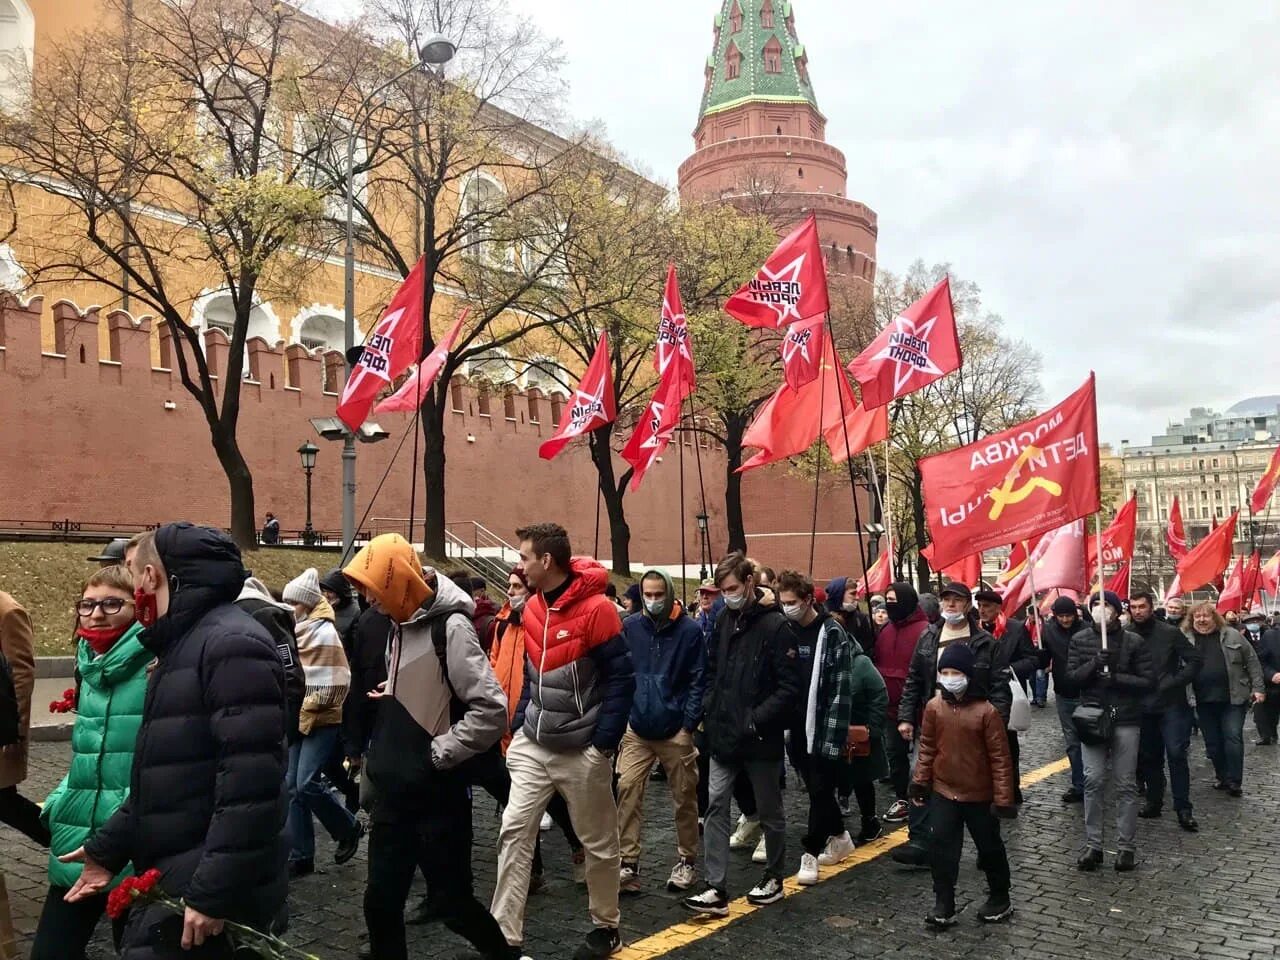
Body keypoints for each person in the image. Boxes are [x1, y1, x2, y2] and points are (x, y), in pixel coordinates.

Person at [62, 524, 288, 958]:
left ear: (153, 575)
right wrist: (106, 849)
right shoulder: (185, 642)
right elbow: (166, 774)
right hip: (181, 860)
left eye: (133, 571)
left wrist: (212, 892)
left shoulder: (229, 643)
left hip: (200, 872)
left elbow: (251, 786)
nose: (134, 582)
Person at [343, 536, 516, 960]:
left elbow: (492, 710)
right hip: (394, 795)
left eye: (372, 586)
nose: (367, 598)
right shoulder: (397, 623)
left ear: (396, 581)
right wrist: (396, 692)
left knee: (453, 904)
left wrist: (440, 752)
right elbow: (428, 686)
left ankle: (502, 954)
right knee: (380, 903)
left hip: (436, 797)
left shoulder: (451, 627)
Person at [490, 523, 634, 960]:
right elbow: (533, 677)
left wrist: (601, 748)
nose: (519, 564)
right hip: (536, 743)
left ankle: (606, 926)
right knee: (514, 831)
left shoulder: (598, 610)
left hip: (583, 750)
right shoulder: (532, 606)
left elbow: (622, 682)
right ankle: (504, 937)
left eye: (524, 557)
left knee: (598, 842)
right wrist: (518, 730)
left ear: (546, 561)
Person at [31, 566, 151, 960]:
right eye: (88, 604)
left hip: (135, 835)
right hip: (78, 832)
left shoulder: (158, 664)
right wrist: (60, 797)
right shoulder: (87, 662)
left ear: (138, 607)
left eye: (112, 603)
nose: (97, 613)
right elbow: (86, 753)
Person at [683, 553, 799, 918]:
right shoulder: (722, 619)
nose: (727, 595)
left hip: (758, 735)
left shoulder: (776, 627)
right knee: (716, 805)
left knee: (769, 809)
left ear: (750, 582)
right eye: (722, 590)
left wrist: (755, 719)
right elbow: (713, 669)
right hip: (723, 731)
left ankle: (774, 877)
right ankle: (716, 886)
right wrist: (709, 707)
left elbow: (789, 685)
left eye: (732, 588)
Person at [775, 571, 886, 888]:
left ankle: (810, 850)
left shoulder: (831, 632)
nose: (787, 608)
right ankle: (839, 836)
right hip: (796, 725)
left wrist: (834, 737)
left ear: (809, 599)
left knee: (821, 786)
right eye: (783, 603)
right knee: (815, 787)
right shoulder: (787, 630)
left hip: (823, 725)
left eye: (792, 602)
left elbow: (841, 689)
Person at [893, 581, 1009, 867]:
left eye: (956, 600)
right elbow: (914, 679)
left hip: (974, 724)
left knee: (978, 783)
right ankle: (919, 839)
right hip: (935, 719)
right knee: (919, 773)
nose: (950, 605)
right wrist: (907, 716)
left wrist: (996, 724)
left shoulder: (984, 642)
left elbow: (999, 687)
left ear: (967, 605)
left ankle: (987, 844)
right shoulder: (928, 637)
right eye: (946, 600)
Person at [485, 566, 583, 897]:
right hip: (502, 729)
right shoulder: (500, 624)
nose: (511, 591)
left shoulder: (540, 625)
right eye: (509, 586)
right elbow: (492, 668)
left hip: (531, 728)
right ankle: (536, 868)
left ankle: (572, 844)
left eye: (517, 586)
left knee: (544, 800)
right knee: (517, 806)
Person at [911, 642, 1015, 926]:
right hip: (944, 791)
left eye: (955, 671)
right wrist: (920, 783)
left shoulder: (987, 713)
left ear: (968, 675)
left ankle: (999, 895)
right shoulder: (934, 707)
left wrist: (1003, 799)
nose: (949, 677)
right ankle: (944, 902)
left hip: (979, 794)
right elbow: (928, 749)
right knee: (941, 848)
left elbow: (1000, 759)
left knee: (989, 847)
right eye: (944, 671)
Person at [616, 569, 706, 895]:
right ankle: (628, 862)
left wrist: (688, 725)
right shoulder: (630, 627)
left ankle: (687, 860)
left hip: (674, 730)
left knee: (684, 797)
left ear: (668, 593)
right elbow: (622, 673)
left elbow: (699, 680)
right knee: (626, 788)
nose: (653, 601)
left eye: (658, 595)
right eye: (647, 595)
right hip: (637, 727)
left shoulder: (690, 631)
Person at [280, 568, 362, 878]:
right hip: (299, 716)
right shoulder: (297, 630)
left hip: (322, 717)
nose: (290, 607)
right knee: (291, 787)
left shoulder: (324, 632)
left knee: (306, 782)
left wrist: (311, 704)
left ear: (305, 603)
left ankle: (348, 827)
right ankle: (302, 855)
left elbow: (338, 679)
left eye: (294, 602)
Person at [1069, 591, 1154, 872]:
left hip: (1125, 718)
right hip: (1092, 717)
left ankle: (1126, 847)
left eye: (1106, 605)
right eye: (1095, 604)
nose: (1100, 609)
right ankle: (1094, 845)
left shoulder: (1134, 641)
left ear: (1117, 611)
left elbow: (1147, 680)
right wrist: (1095, 663)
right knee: (1092, 780)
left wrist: (1117, 676)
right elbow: (1071, 678)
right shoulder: (1080, 640)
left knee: (1125, 783)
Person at [1130, 589, 1202, 831]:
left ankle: (1183, 808)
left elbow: (1195, 660)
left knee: (1176, 754)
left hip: (1172, 704)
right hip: (1142, 704)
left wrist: (1175, 680)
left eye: (1142, 606)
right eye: (1134, 607)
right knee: (1150, 757)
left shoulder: (1170, 633)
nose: (1138, 611)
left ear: (1151, 607)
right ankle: (1154, 801)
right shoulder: (1126, 634)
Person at [1184, 602, 1264, 797]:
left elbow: (1252, 661)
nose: (1202, 620)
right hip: (1201, 700)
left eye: (1206, 616)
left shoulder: (1232, 635)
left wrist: (1258, 688)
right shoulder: (1185, 639)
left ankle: (1235, 781)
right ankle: (1222, 776)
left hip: (1233, 698)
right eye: (1197, 616)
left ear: (1215, 617)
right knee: (1212, 743)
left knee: (1233, 737)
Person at [974, 590, 1038, 804]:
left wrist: (1008, 669)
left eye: (987, 606)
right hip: (980, 696)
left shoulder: (1016, 628)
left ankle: (1011, 789)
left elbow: (1031, 660)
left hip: (1007, 696)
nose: (982, 610)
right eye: (980, 606)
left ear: (998, 608)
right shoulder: (974, 629)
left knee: (1007, 746)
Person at [875, 582, 930, 825]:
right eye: (887, 600)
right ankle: (903, 797)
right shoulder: (885, 630)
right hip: (890, 708)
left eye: (894, 601)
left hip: (920, 709)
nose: (890, 606)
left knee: (921, 758)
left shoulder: (926, 630)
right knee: (895, 756)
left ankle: (922, 798)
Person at [0, 589, 44, 846]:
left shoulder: (8, 611)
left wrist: (13, 732)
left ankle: (65, 840)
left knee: (5, 801)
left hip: (2, 729)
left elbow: (20, 676)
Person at [1040, 595, 1090, 803]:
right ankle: (1079, 784)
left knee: (1090, 740)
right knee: (1072, 742)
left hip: (1087, 692)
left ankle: (1093, 779)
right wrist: (1040, 658)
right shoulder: (1049, 630)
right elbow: (1045, 656)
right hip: (1063, 692)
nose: (1066, 620)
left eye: (1069, 615)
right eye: (1061, 616)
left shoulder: (1087, 629)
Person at [1253, 612, 1280, 745]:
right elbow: (1260, 661)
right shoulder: (1270, 636)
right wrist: (1272, 674)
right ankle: (1268, 735)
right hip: (1274, 686)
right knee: (1268, 714)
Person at [320, 568, 362, 638]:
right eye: (324, 591)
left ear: (340, 593)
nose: (326, 595)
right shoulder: (322, 605)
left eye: (330, 592)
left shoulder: (356, 612)